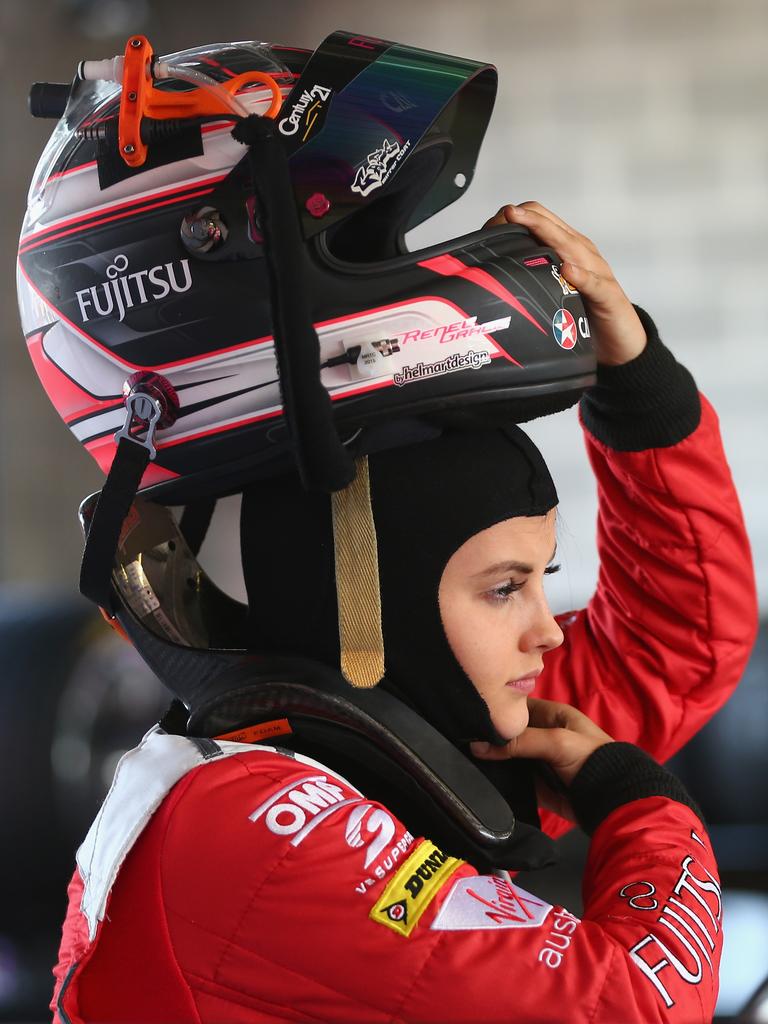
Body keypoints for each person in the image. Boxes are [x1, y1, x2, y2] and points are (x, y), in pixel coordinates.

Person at [17, 31, 755, 1024]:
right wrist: (639, 801)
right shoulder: (240, 826)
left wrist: (645, 396)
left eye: (544, 575)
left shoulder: (397, 726)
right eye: (504, 586)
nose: (548, 628)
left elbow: (675, 644)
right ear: (360, 595)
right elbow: (634, 1004)